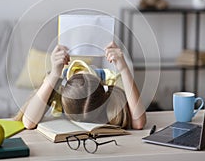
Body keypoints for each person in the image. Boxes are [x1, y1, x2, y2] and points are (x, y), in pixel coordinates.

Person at [15, 42, 146, 130]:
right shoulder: (58, 86)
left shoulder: (110, 81)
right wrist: (54, 74)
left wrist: (124, 69)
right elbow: (28, 122)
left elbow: (139, 123)